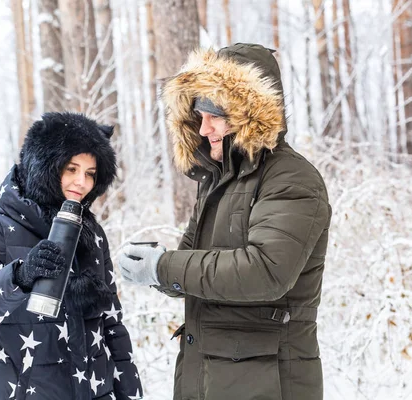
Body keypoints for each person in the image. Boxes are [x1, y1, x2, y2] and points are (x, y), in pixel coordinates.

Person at [117, 43, 331, 400]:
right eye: (199, 115)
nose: (204, 129)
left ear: (248, 111)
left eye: (214, 114)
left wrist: (164, 267)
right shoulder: (217, 182)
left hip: (267, 381)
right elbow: (190, 263)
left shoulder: (291, 179)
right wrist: (154, 267)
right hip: (212, 375)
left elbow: (264, 272)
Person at [0, 112, 143, 400]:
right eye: (71, 169)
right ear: (44, 167)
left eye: (90, 173)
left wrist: (130, 393)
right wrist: (20, 277)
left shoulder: (91, 232)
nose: (81, 182)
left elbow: (111, 322)